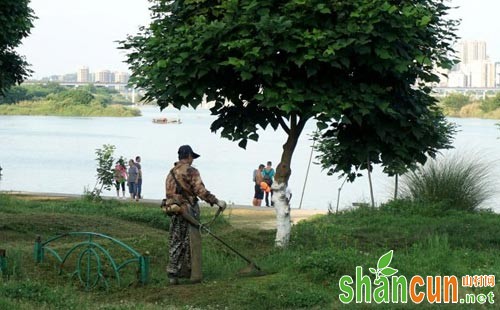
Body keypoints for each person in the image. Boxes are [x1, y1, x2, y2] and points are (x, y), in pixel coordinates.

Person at [164, 145, 226, 285]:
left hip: (174, 211)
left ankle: (173, 274)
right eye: (192, 157)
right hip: (188, 211)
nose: (192, 160)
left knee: (175, 241)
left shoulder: (171, 172)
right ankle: (193, 273)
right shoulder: (191, 171)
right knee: (191, 242)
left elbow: (168, 194)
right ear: (189, 156)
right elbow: (200, 190)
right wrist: (216, 201)